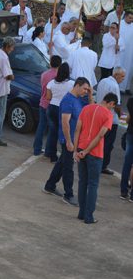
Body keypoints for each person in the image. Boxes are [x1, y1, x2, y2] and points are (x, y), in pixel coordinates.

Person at [42, 77, 91, 205]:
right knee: (68, 168)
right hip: (68, 139)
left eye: (87, 90)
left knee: (62, 163)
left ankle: (50, 185)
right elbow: (65, 123)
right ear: (77, 85)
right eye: (85, 89)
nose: (86, 91)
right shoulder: (68, 100)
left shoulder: (79, 99)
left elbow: (91, 107)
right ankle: (68, 195)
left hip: (73, 139)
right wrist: (69, 141)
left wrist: (90, 93)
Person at [74, 93, 118, 224]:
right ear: (111, 103)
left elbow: (77, 130)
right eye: (112, 106)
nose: (112, 108)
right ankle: (89, 216)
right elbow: (100, 136)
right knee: (93, 184)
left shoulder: (86, 108)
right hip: (95, 153)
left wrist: (76, 150)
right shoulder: (108, 115)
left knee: (82, 182)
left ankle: (81, 213)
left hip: (81, 148)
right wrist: (87, 151)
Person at [96, 67, 125, 175]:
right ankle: (103, 166)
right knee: (108, 144)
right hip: (111, 119)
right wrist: (120, 115)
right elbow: (117, 105)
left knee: (99, 141)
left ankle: (97, 163)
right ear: (116, 75)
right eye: (122, 76)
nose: (123, 79)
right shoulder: (114, 86)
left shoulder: (103, 81)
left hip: (99, 115)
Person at [33, 55, 62, 156]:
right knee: (52, 129)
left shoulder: (44, 74)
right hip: (53, 104)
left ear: (50, 63)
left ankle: (37, 149)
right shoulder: (59, 76)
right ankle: (49, 151)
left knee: (41, 126)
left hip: (43, 102)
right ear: (60, 64)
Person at [44, 62, 73, 162]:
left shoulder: (51, 82)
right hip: (63, 109)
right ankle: (65, 156)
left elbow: (48, 97)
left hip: (52, 107)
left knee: (52, 132)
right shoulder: (71, 84)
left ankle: (51, 154)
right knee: (64, 133)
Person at [119, 96, 133, 201]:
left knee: (127, 164)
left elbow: (128, 119)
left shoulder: (131, 101)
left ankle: (123, 191)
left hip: (131, 133)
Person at [118, 11, 133, 93]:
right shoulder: (120, 24)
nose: (131, 20)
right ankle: (119, 87)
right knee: (120, 67)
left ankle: (127, 87)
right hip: (120, 51)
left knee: (129, 69)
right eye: (130, 18)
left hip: (130, 52)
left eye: (132, 18)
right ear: (125, 16)